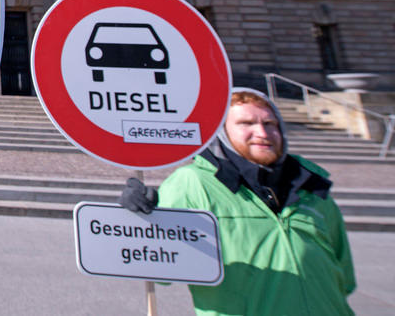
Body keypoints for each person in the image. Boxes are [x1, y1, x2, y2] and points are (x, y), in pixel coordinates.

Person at [121, 88, 356, 315]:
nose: (263, 134)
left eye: (269, 124)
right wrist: (140, 216)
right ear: (221, 131)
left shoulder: (311, 187)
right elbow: (158, 265)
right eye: (246, 124)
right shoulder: (193, 183)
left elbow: (342, 275)